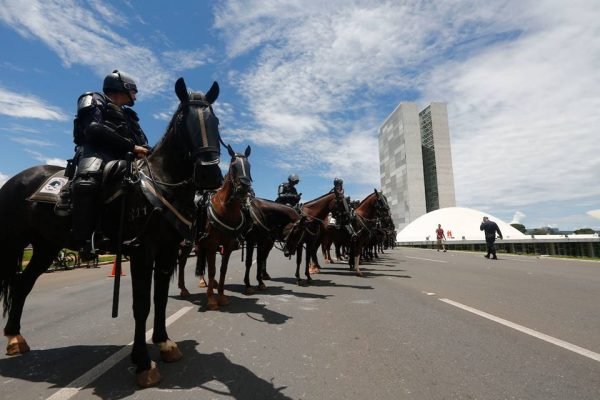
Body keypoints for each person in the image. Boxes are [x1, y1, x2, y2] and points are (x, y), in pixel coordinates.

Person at [57, 70, 151, 256]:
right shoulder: (93, 98)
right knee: (88, 180)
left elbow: (143, 143)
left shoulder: (130, 116)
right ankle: (85, 238)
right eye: (134, 91)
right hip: (96, 152)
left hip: (126, 157)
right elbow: (93, 129)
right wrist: (132, 147)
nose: (136, 95)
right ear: (122, 87)